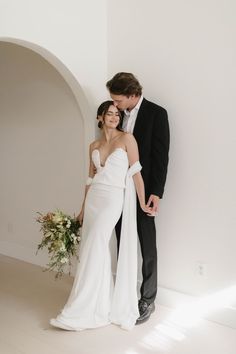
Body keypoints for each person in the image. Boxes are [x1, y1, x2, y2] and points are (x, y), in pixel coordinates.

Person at [50, 101, 152, 331]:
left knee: (94, 246)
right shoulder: (93, 145)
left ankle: (79, 308)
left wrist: (143, 201)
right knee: (93, 248)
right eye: (110, 114)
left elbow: (136, 173)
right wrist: (83, 208)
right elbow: (89, 178)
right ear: (100, 117)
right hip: (95, 199)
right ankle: (97, 306)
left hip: (113, 199)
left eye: (117, 114)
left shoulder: (127, 139)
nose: (115, 117)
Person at [106, 72, 170, 325]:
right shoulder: (116, 114)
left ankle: (148, 299)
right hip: (117, 189)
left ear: (132, 95)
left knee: (147, 246)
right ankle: (124, 295)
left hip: (143, 191)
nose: (115, 105)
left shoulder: (157, 113)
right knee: (122, 242)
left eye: (119, 101)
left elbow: (161, 156)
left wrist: (156, 193)